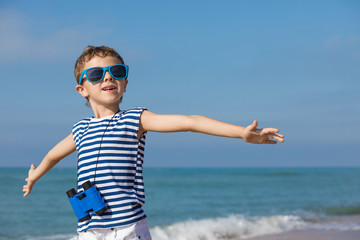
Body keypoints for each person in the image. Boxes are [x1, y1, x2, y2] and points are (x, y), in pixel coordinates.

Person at [23, 45, 284, 240]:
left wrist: (241, 133)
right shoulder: (80, 130)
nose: (107, 77)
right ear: (82, 89)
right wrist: (35, 175)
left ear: (125, 82)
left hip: (128, 228)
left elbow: (190, 122)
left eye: (116, 71)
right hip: (90, 230)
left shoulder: (135, 119)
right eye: (95, 74)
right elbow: (54, 155)